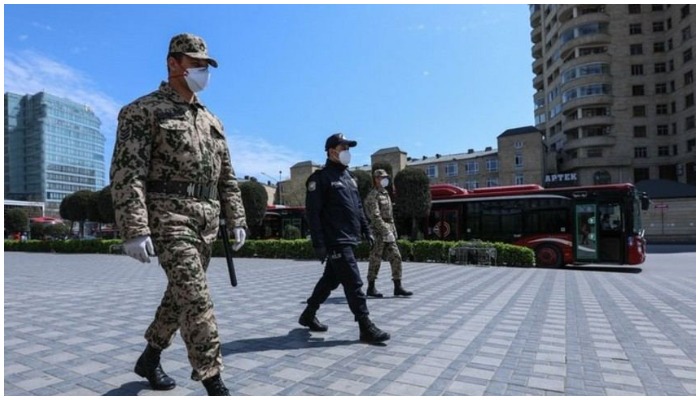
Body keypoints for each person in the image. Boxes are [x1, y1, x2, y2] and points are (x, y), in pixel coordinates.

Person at [110, 33, 247, 396]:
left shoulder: (212, 120)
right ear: (173, 63)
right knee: (197, 297)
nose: (203, 71)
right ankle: (213, 381)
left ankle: (150, 357)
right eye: (195, 63)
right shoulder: (143, 110)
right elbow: (127, 173)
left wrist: (236, 218)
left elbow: (227, 177)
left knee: (180, 294)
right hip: (168, 217)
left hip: (207, 222)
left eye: (206, 65)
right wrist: (135, 228)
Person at [298, 133, 390, 344]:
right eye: (343, 148)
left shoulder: (350, 178)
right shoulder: (320, 179)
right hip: (335, 239)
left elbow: (357, 207)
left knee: (330, 280)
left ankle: (308, 314)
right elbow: (313, 214)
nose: (347, 152)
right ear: (332, 152)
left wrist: (366, 229)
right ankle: (365, 326)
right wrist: (318, 243)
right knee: (353, 281)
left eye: (348, 148)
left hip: (349, 237)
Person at [364, 169, 412, 298]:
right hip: (378, 232)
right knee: (375, 259)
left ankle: (398, 286)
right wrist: (385, 231)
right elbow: (375, 216)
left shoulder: (386, 193)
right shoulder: (373, 195)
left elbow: (390, 217)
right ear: (376, 179)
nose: (385, 179)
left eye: (386, 177)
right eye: (382, 177)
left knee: (396, 257)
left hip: (388, 231)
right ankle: (371, 287)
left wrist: (393, 231)